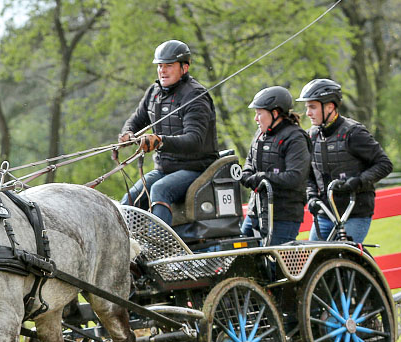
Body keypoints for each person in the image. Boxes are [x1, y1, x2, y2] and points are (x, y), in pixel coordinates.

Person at [117, 40, 219, 231]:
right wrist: (127, 133)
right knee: (130, 199)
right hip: (165, 168)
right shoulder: (154, 92)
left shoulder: (195, 96)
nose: (163, 71)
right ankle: (127, 246)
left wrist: (160, 142)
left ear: (184, 67)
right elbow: (137, 119)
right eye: (160, 66)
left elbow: (194, 140)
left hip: (196, 168)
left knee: (159, 190)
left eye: (169, 66)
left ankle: (159, 246)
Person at [297, 78, 393, 243]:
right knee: (313, 260)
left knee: (344, 256)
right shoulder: (311, 137)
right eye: (307, 108)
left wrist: (358, 181)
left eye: (312, 107)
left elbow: (384, 164)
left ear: (330, 106)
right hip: (325, 213)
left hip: (354, 212)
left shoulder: (354, 133)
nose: (308, 113)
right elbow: (309, 175)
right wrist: (311, 195)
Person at [239, 86, 310, 245]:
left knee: (274, 266)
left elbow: (295, 177)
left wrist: (261, 177)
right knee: (241, 260)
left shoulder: (295, 138)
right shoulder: (260, 135)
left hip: (283, 216)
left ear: (275, 113)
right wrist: (245, 175)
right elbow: (250, 164)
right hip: (255, 212)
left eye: (259, 113)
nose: (255, 119)